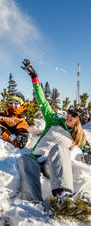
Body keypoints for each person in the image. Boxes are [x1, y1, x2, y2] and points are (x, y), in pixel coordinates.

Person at [17, 59, 91, 204]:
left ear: (80, 121)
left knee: (59, 148)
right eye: (70, 112)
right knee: (24, 158)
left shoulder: (80, 138)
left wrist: (87, 156)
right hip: (35, 161)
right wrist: (34, 77)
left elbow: (88, 153)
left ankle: (63, 195)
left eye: (74, 115)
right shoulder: (54, 120)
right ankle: (33, 203)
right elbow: (42, 101)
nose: (69, 115)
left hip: (51, 166)